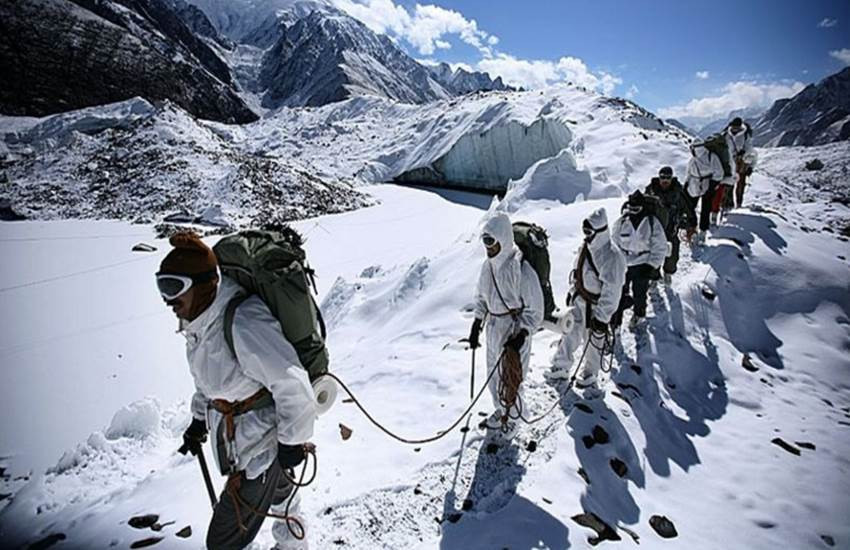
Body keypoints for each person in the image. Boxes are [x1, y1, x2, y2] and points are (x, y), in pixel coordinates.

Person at [156, 231, 316, 550]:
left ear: (203, 284)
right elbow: (210, 380)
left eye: (174, 287)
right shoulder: (202, 323)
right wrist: (199, 420)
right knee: (283, 497)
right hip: (241, 436)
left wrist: (291, 443)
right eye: (162, 286)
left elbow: (291, 382)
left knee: (223, 540)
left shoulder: (242, 320)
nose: (168, 299)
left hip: (263, 439)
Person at [468, 213, 544, 436]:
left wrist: (522, 335)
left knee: (512, 376)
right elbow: (482, 297)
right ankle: (501, 410)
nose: (488, 248)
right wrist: (477, 322)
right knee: (493, 375)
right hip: (493, 327)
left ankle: (514, 416)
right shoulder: (487, 267)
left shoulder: (521, 270)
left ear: (503, 239)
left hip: (512, 330)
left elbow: (535, 310)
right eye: (485, 242)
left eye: (491, 242)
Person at [546, 208, 626, 398]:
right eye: (585, 232)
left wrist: (603, 316)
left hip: (597, 307)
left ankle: (590, 374)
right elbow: (577, 270)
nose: (586, 236)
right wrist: (573, 292)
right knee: (570, 333)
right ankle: (561, 366)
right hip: (580, 301)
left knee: (594, 342)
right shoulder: (586, 248)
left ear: (600, 231)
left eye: (590, 233)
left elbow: (613, 291)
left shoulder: (612, 256)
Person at [611, 191, 668, 327]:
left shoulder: (652, 223)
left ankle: (639, 314)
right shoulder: (622, 222)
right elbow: (614, 242)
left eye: (636, 209)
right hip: (624, 262)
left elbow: (660, 246)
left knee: (639, 293)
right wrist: (616, 262)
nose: (633, 212)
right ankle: (616, 321)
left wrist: (651, 265)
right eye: (631, 209)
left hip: (643, 263)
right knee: (618, 293)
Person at [644, 166, 695, 284]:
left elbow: (688, 207)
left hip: (671, 229)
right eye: (662, 177)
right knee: (652, 255)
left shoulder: (678, 192)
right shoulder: (651, 190)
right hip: (655, 231)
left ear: (672, 178)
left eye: (668, 178)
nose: (665, 180)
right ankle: (654, 278)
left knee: (672, 255)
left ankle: (668, 273)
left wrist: (691, 223)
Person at [684, 142, 724, 244]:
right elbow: (719, 173)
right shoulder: (710, 157)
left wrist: (686, 184)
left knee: (694, 208)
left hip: (698, 184)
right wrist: (712, 186)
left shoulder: (698, 158)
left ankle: (695, 230)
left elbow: (689, 173)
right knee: (702, 209)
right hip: (703, 185)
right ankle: (699, 231)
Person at [725, 117, 757, 208]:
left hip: (741, 162)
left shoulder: (745, 135)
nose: (735, 129)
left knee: (740, 185)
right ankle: (728, 203)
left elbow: (751, 150)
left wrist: (750, 165)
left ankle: (739, 203)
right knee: (729, 183)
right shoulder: (727, 135)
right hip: (730, 162)